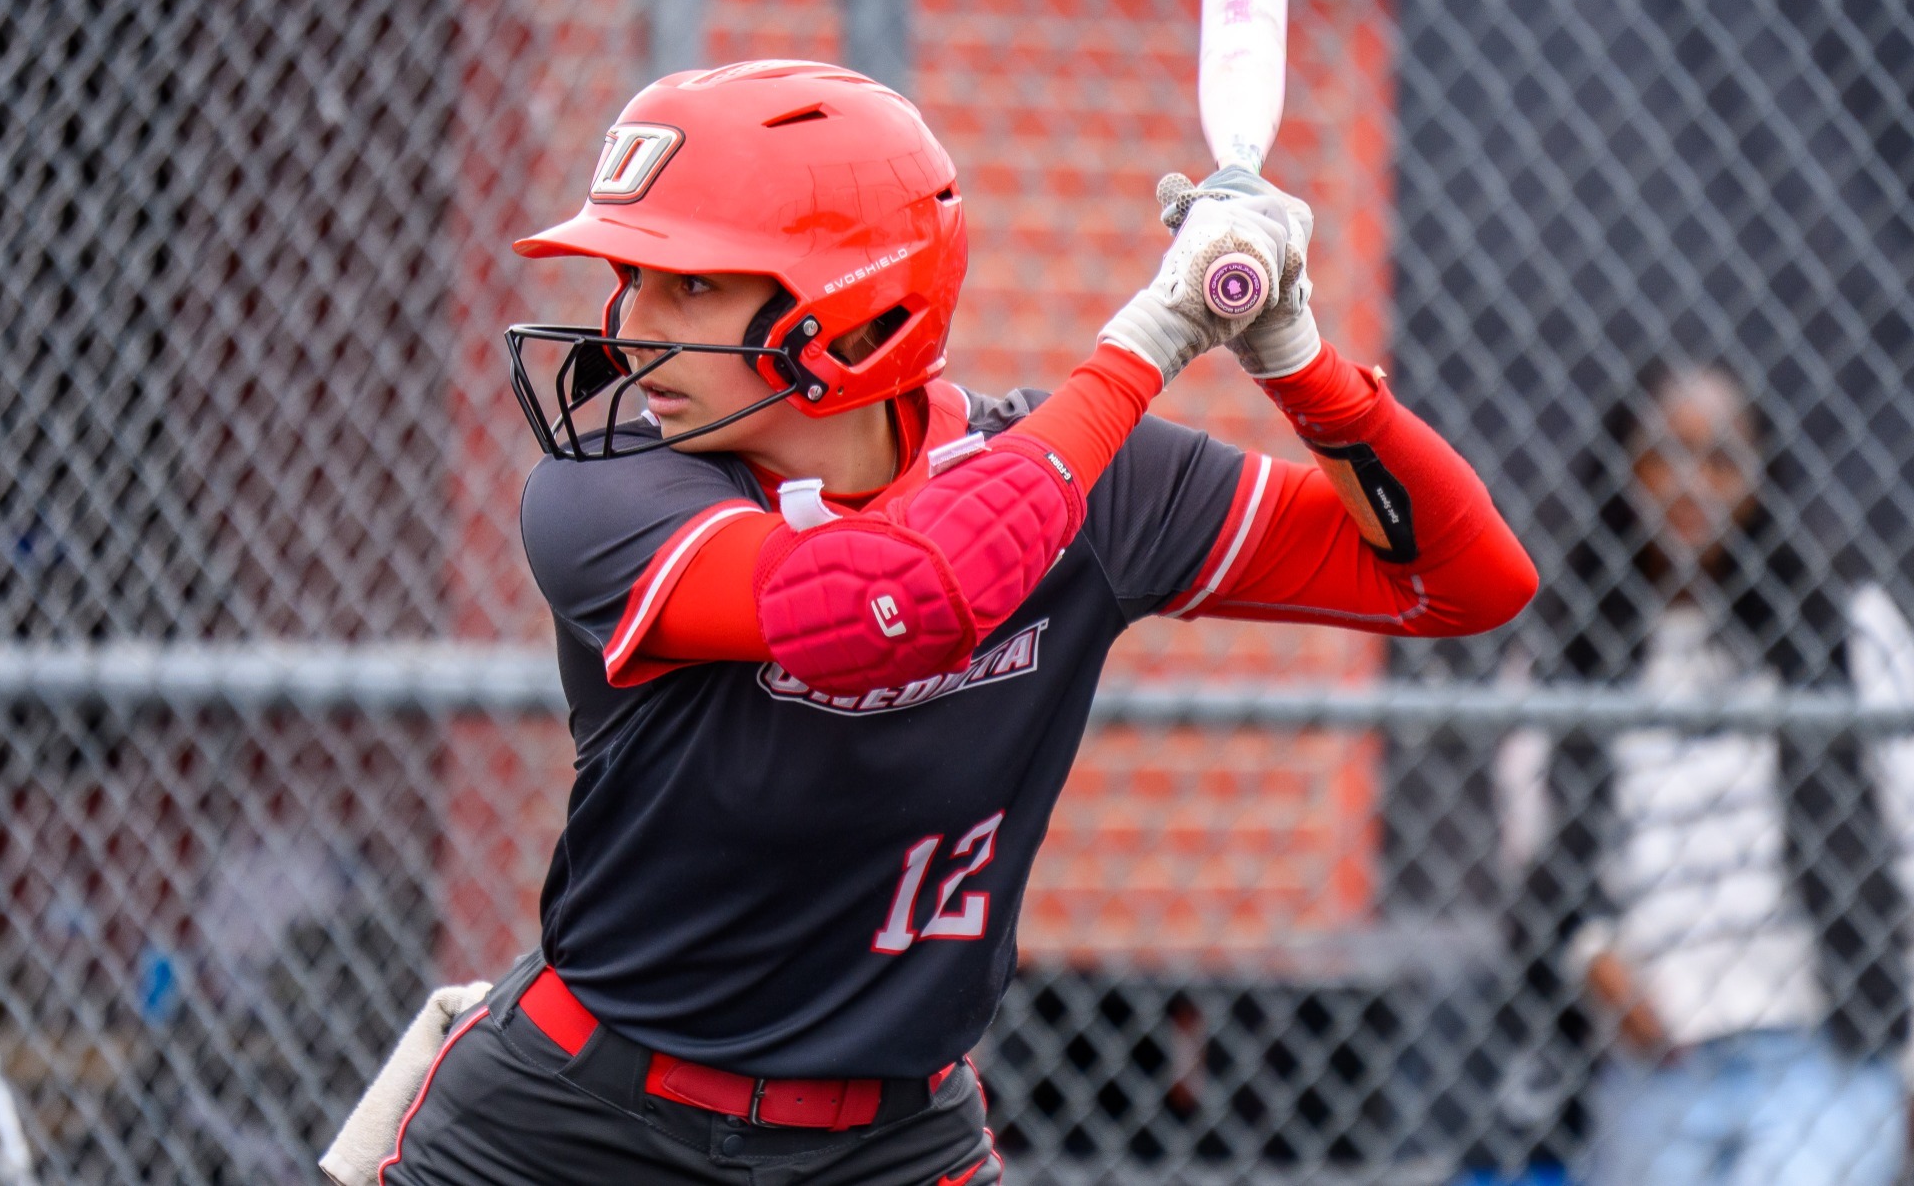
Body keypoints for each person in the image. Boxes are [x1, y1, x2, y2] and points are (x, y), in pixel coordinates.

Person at [363, 60, 1537, 1184]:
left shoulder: (1097, 485)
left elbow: (1458, 582)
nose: (628, 327)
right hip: (578, 1123)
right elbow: (889, 607)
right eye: (627, 279)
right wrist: (1143, 347)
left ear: (854, 307)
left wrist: (1296, 358)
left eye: (692, 285)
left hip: (887, 1136)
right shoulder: (607, 486)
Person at [1499, 363, 1911, 1186]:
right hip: (1658, 1058)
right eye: (1666, 454)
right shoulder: (1566, 651)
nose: (1692, 483)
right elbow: (1531, 858)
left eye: (1722, 458)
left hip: (1823, 1047)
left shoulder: (1842, 630)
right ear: (1626, 471)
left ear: (1761, 477)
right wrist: (1591, 957)